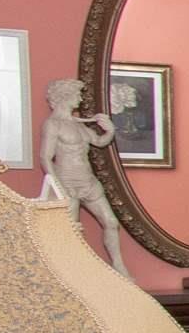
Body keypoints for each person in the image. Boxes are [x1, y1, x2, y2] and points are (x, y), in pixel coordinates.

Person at [40, 79, 129, 270]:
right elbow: (46, 157)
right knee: (73, 230)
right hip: (67, 181)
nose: (80, 99)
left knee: (111, 222)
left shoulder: (80, 125)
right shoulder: (53, 124)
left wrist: (110, 130)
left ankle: (119, 266)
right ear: (65, 96)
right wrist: (58, 187)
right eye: (77, 95)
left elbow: (99, 141)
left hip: (88, 181)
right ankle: (76, 271)